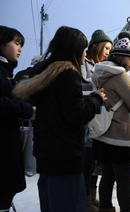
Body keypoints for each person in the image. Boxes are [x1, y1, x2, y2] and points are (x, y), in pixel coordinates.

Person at [12, 26, 107, 212]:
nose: (85, 53)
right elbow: (77, 114)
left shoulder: (43, 72)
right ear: (73, 49)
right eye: (82, 48)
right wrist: (96, 99)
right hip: (66, 156)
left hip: (46, 154)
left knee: (50, 204)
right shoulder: (66, 73)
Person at [91, 31, 130, 212]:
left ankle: (105, 208)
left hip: (103, 133)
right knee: (123, 179)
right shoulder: (119, 75)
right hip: (120, 136)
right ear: (122, 57)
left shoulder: (99, 72)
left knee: (107, 176)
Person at [0, 25, 34, 212]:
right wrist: (26, 108)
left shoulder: (6, 72)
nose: (20, 48)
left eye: (21, 44)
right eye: (16, 43)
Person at [81, 29, 114, 212]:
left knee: (94, 163)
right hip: (87, 120)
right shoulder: (83, 63)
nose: (108, 52)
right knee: (86, 162)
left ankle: (92, 198)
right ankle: (85, 201)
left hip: (98, 119)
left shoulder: (102, 66)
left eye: (110, 49)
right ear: (96, 46)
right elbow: (84, 86)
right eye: (106, 48)